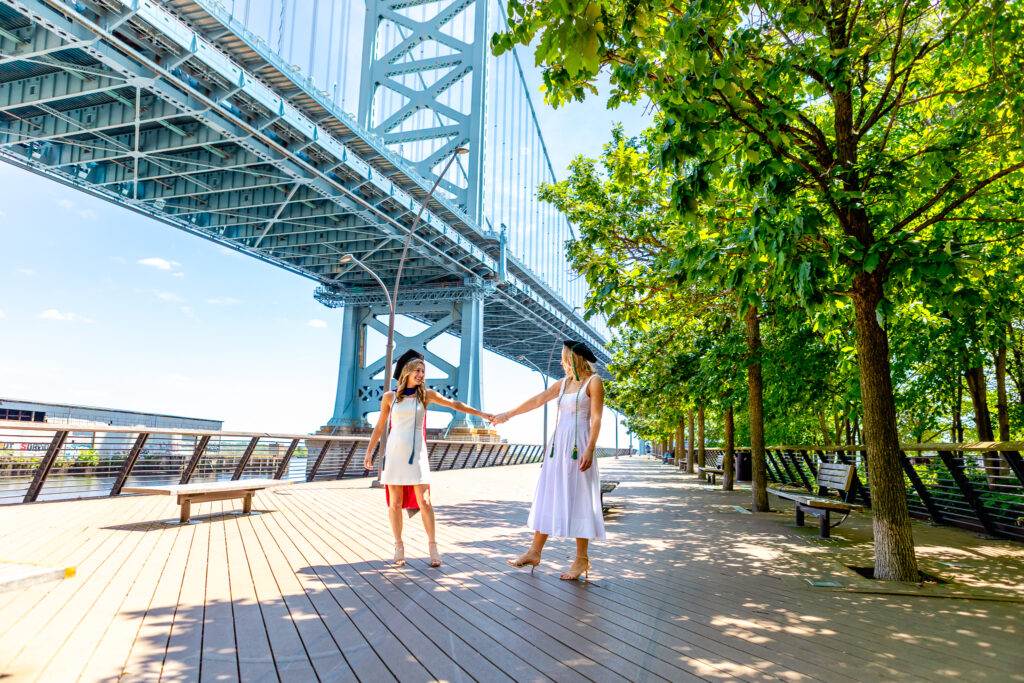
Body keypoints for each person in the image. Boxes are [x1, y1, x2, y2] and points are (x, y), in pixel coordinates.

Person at [363, 349, 494, 567]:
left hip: (417, 454)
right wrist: (369, 452)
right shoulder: (389, 397)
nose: (421, 374)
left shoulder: (426, 395)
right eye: (418, 370)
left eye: (423, 371)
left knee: (424, 501)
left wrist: (482, 415)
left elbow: (455, 405)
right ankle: (398, 546)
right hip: (395, 453)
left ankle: (433, 546)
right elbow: (379, 426)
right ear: (406, 372)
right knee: (395, 503)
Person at [491, 340, 605, 580]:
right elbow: (537, 400)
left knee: (580, 497)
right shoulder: (563, 384)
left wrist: (590, 449)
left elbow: (596, 419)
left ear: (576, 358)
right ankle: (534, 552)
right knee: (548, 493)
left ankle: (582, 559)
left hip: (579, 445)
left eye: (565, 358)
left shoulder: (594, 383)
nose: (562, 362)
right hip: (557, 447)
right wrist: (507, 415)